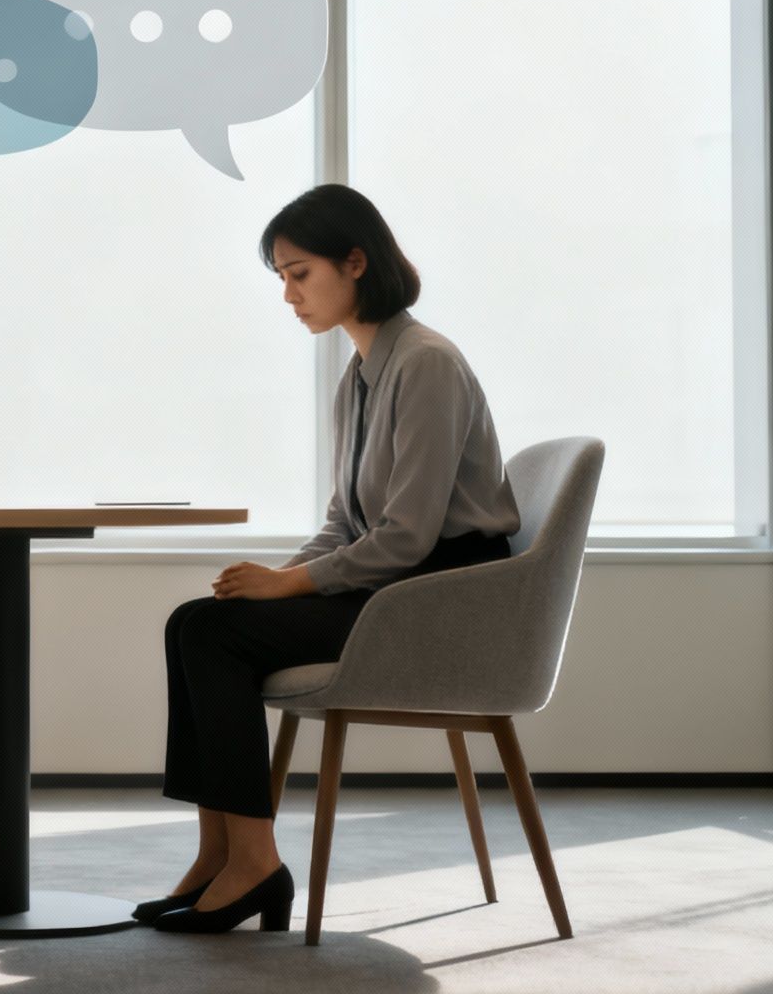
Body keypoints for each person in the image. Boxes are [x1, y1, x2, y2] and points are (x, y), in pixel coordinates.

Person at [144, 183, 522, 934]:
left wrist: (288, 585)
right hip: (395, 586)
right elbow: (344, 523)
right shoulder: (361, 373)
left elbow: (407, 536)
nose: (288, 295)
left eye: (299, 274)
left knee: (211, 634)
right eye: (281, 278)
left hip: (439, 598)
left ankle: (255, 864)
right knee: (197, 620)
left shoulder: (427, 364)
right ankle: (221, 852)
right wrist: (272, 582)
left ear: (355, 263)